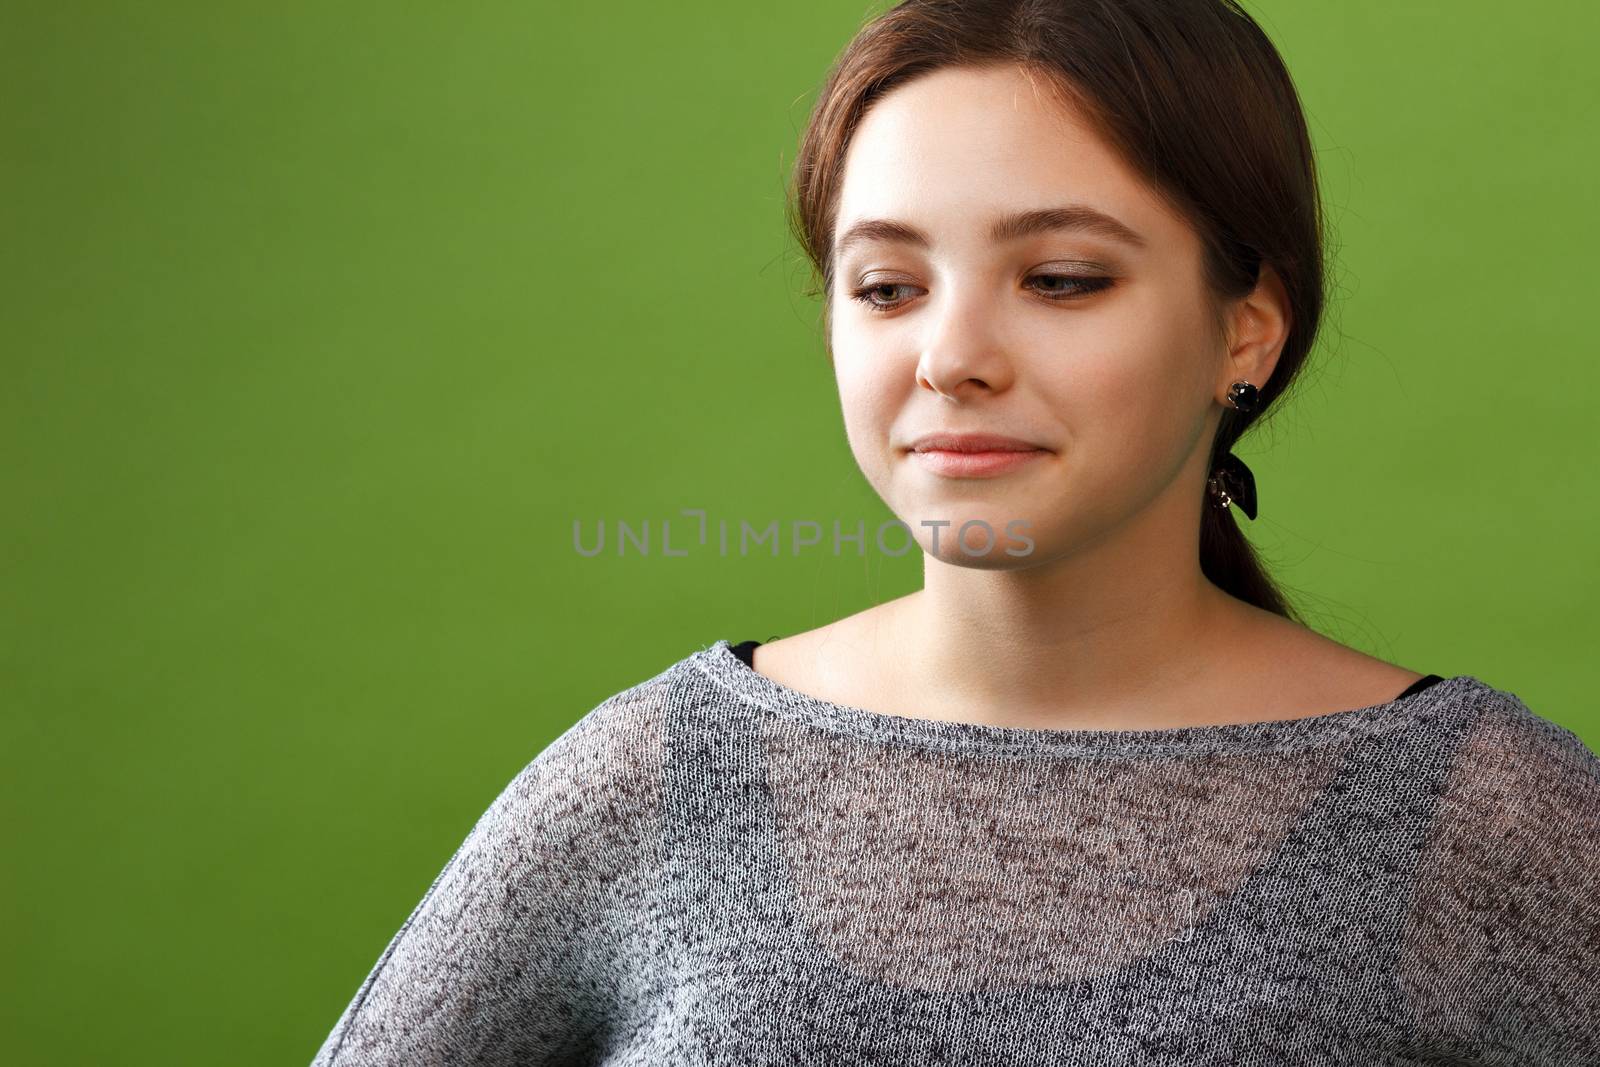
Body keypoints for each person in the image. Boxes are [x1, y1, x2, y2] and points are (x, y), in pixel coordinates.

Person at [310, 1, 1600, 1063]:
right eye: (887, 286)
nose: (953, 356)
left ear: (1246, 328)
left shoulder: (1474, 819)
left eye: (1060, 279)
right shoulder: (670, 780)